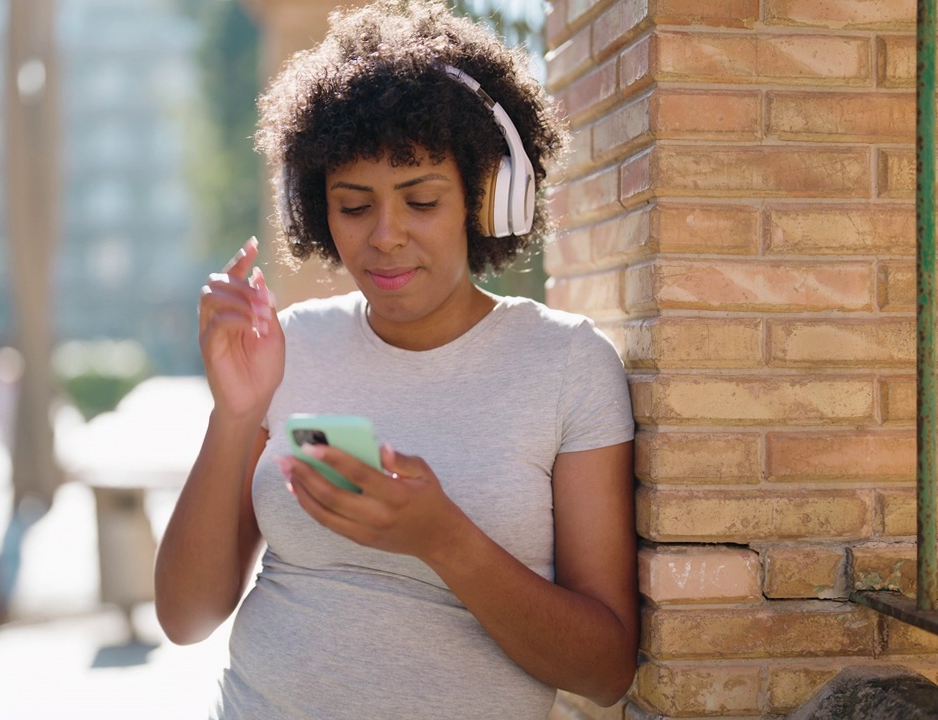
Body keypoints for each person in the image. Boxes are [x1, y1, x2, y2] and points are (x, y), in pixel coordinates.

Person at [155, 2, 637, 717]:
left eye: (420, 200)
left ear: (487, 197)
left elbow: (604, 670)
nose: (385, 236)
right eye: (354, 206)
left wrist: (444, 541)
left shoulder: (568, 364)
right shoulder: (291, 346)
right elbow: (186, 617)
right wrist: (236, 414)